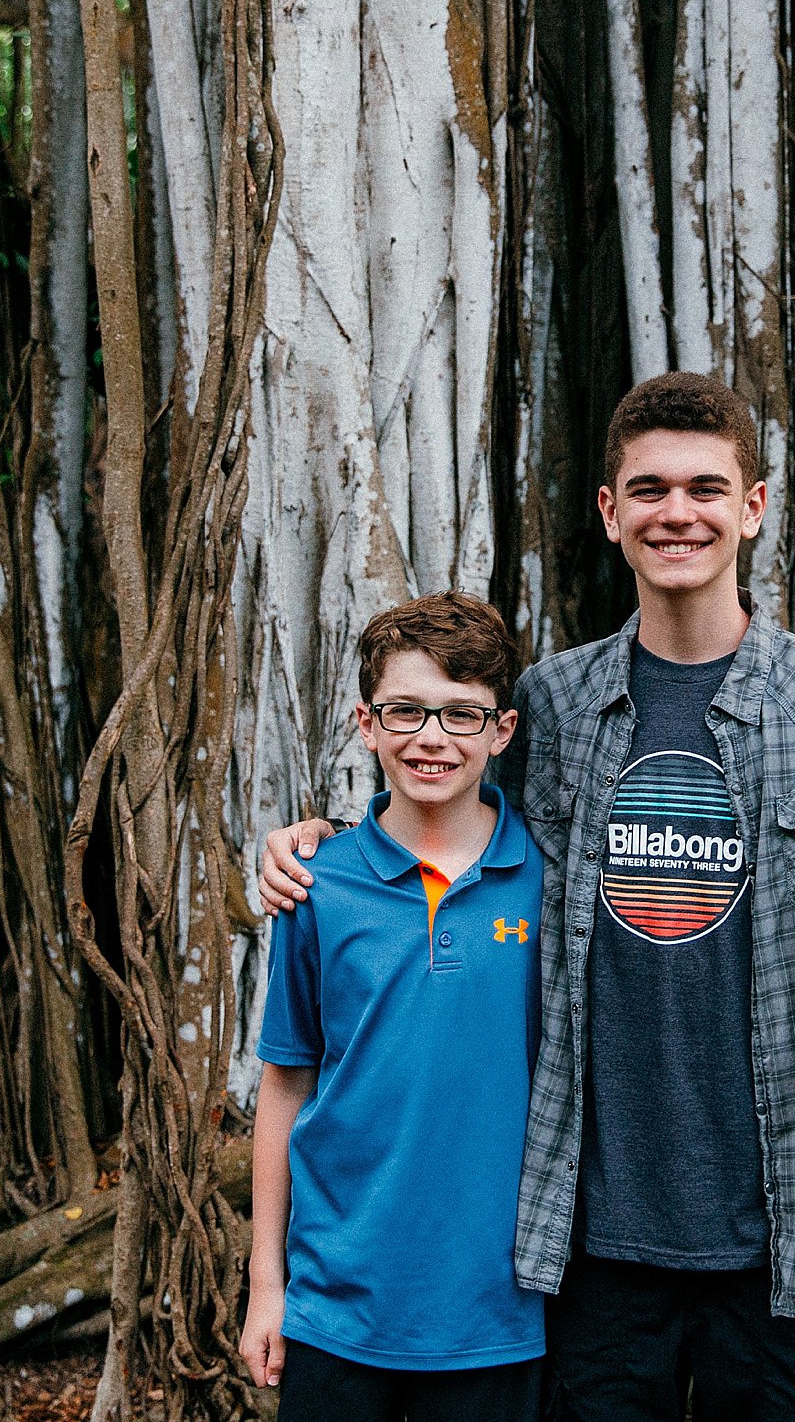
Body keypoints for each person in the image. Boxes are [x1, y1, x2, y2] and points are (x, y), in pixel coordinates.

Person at [258, 373, 795, 1421]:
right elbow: (436, 805)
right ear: (610, 511)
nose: (680, 512)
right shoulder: (556, 703)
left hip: (778, 1211)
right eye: (652, 487)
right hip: (588, 1227)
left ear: (753, 507)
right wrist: (313, 839)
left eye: (707, 487)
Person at [240, 592, 546, 1422]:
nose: (431, 737)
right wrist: (268, 1287)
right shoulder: (316, 882)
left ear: (502, 730)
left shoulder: (548, 881)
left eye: (460, 714)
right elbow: (285, 1086)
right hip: (338, 1308)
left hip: (499, 1312)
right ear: (366, 723)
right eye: (405, 710)